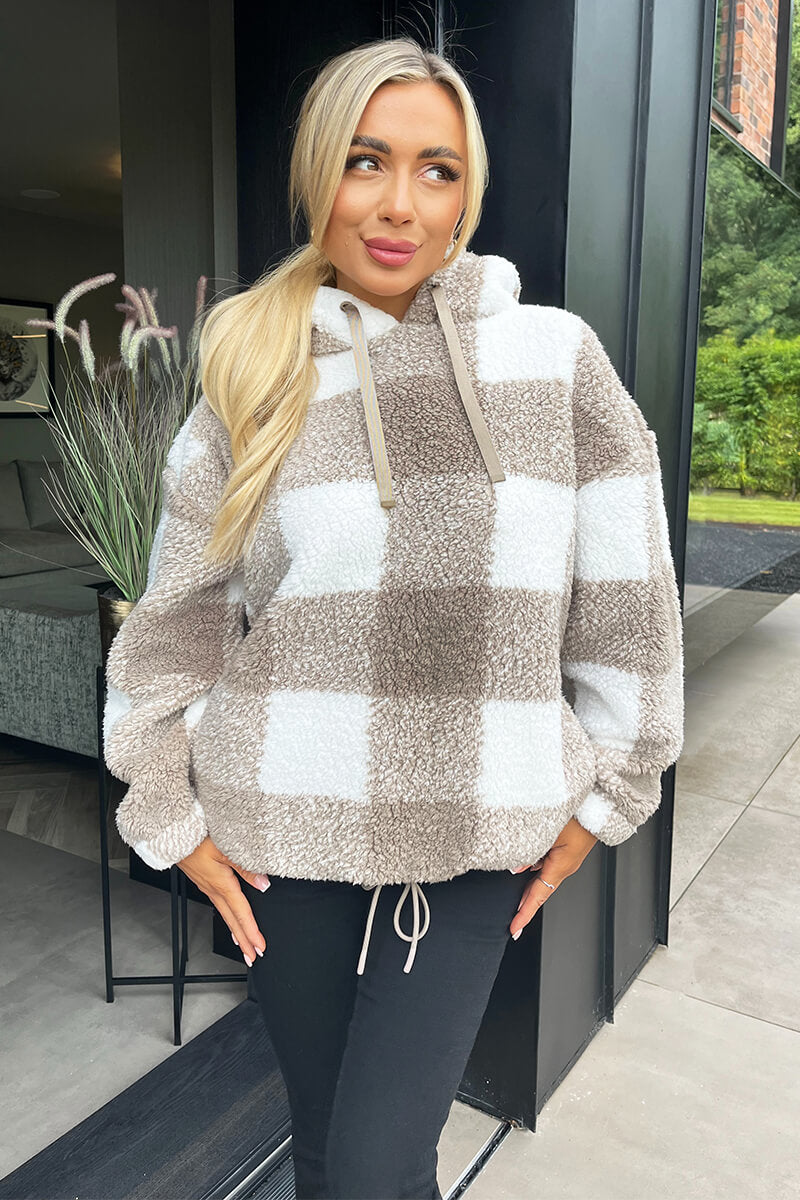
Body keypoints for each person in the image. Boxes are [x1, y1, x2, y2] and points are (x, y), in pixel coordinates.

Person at [103, 36, 685, 1200]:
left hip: (472, 829)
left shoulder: (553, 360)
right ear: (317, 171)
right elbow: (178, 619)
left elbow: (625, 602)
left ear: (468, 192)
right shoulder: (251, 368)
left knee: (377, 1168)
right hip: (282, 825)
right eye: (365, 161)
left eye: (437, 170)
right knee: (325, 1153)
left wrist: (609, 792)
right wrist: (168, 807)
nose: (398, 205)